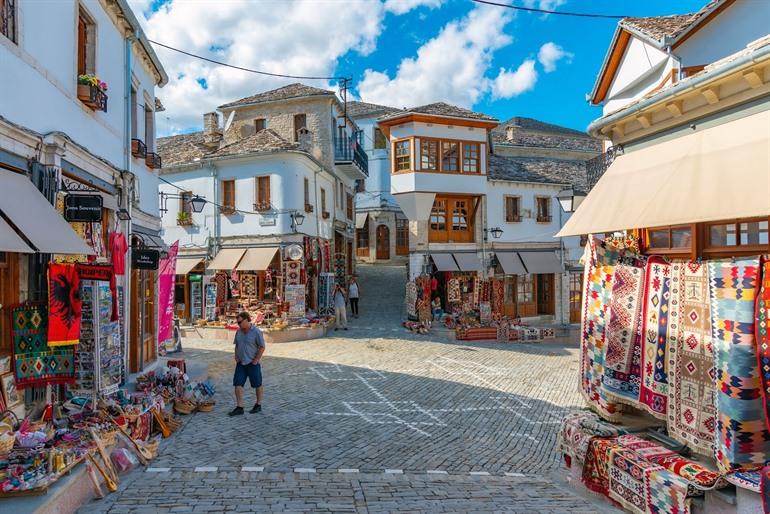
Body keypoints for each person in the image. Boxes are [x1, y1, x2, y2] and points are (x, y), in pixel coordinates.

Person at [228, 311, 266, 416]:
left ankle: (258, 404)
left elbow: (262, 346)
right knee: (237, 383)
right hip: (241, 363)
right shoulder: (238, 332)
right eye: (238, 322)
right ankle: (240, 407)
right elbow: (237, 345)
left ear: (247, 320)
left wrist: (256, 360)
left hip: (252, 363)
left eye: (240, 322)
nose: (239, 324)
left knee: (257, 384)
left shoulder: (256, 332)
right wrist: (236, 356)